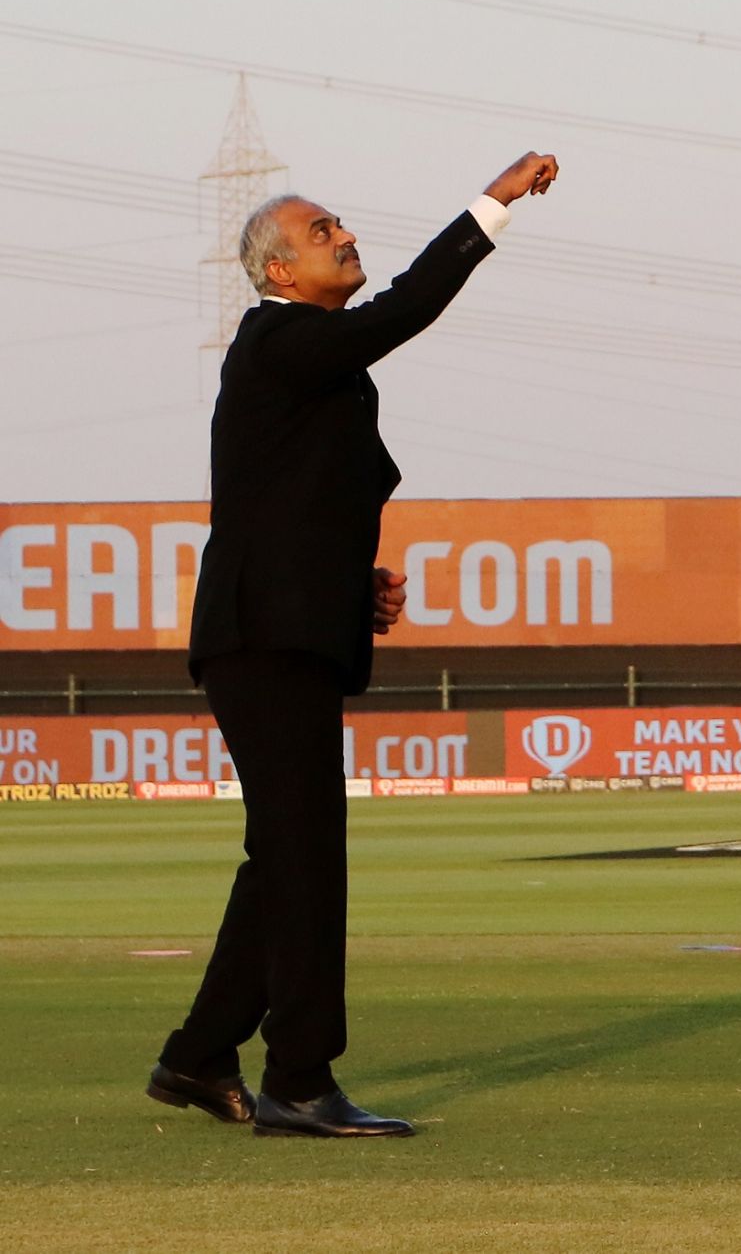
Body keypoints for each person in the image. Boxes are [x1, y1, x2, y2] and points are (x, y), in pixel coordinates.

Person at [146, 151, 558, 1138]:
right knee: (305, 857)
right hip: (262, 641)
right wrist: (489, 207)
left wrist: (343, 583)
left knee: (280, 858)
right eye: (323, 229)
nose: (345, 235)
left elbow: (287, 496)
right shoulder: (278, 337)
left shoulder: (310, 363)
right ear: (281, 272)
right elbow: (404, 310)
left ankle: (199, 1058)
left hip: (282, 633)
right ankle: (296, 1078)